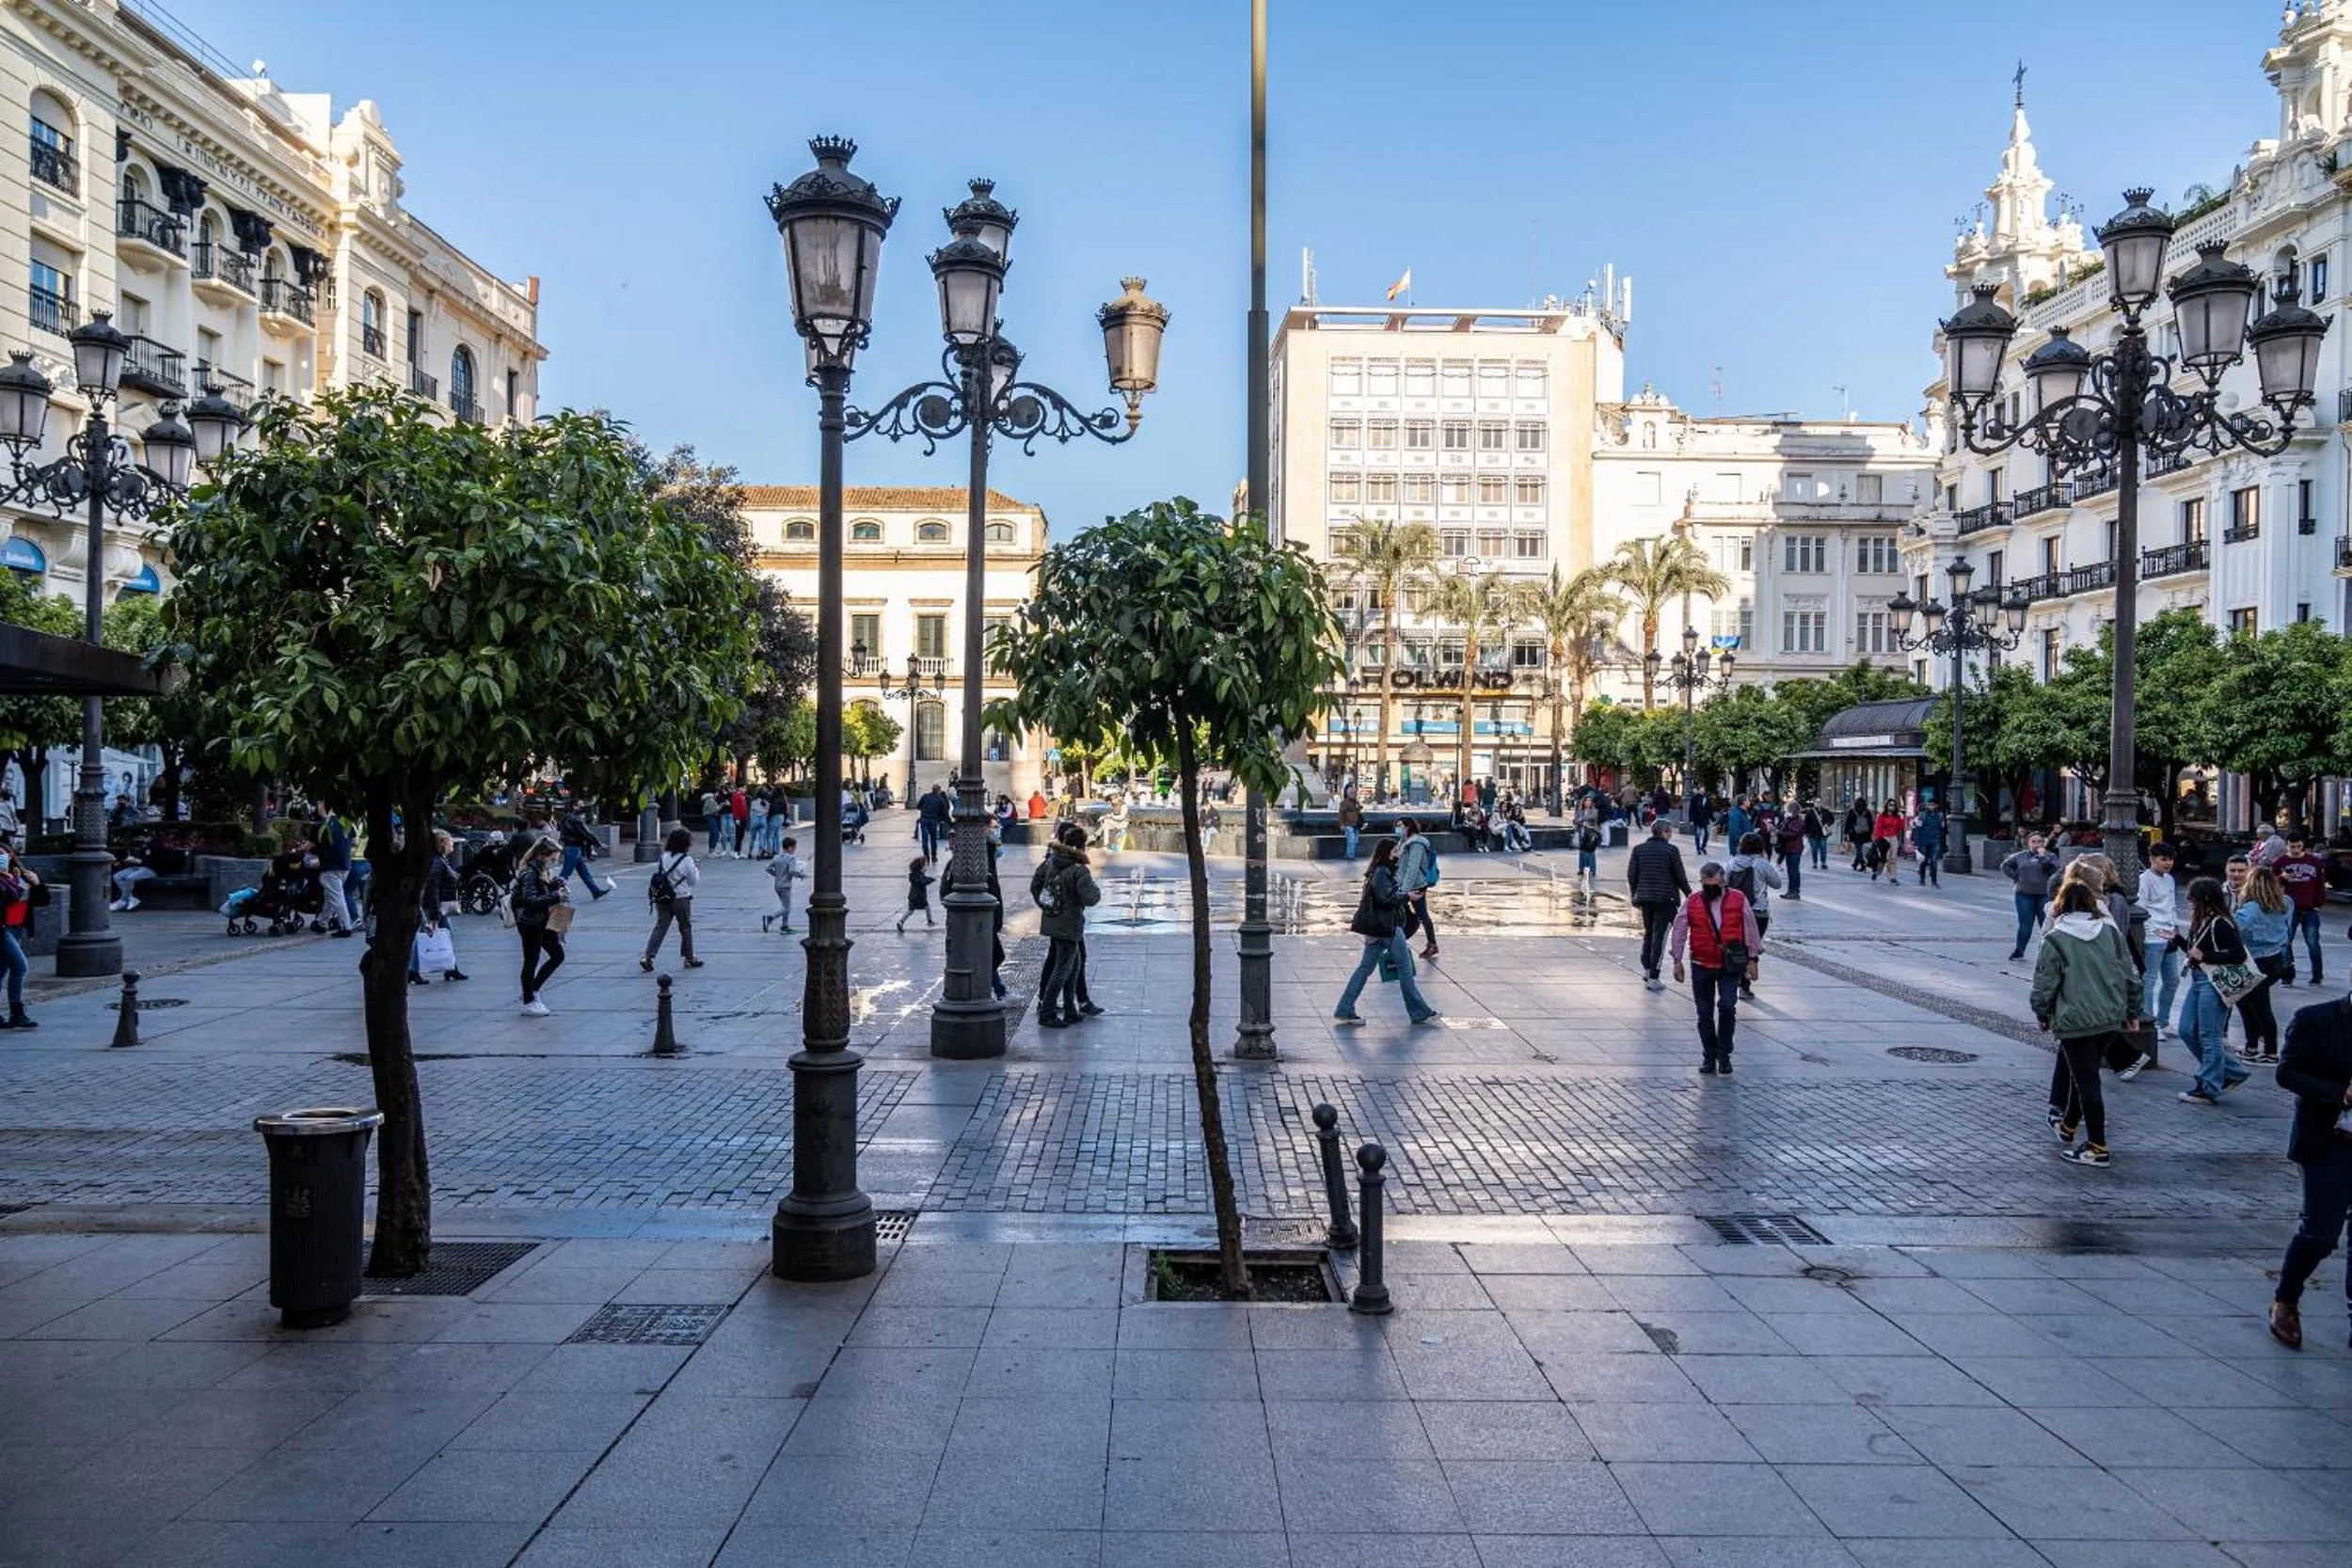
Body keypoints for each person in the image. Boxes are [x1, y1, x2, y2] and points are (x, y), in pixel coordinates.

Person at [2030, 879, 2143, 1169]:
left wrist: (2042, 1014)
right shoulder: (2109, 932)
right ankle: (2068, 1127)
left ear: (2060, 905)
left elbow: (2045, 984)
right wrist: (2132, 1010)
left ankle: (2097, 1146)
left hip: (2075, 1018)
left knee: (2087, 1082)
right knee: (2086, 1074)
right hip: (2109, 1015)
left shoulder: (2056, 938)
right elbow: (2129, 974)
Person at [2266, 990, 2352, 1350]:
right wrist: (2341, 1093)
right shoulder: (2317, 1019)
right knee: (2321, 1232)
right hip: (2330, 1141)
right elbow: (2287, 1073)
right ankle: (2286, 1299)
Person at [1333, 837, 1440, 1026]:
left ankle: (1344, 1009)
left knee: (1364, 969)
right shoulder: (1381, 873)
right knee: (1405, 969)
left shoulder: (1382, 871)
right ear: (1387, 853)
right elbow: (1386, 898)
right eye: (1396, 851)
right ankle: (1418, 1012)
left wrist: (1405, 893)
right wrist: (1406, 896)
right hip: (1388, 929)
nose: (1398, 854)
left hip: (1377, 930)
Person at [1671, 861, 1759, 1075]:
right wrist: (1677, 959)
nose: (1709, 885)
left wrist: (1753, 958)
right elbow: (1680, 928)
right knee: (1704, 1013)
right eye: (1705, 882)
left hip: (1729, 965)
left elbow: (1750, 927)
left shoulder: (1738, 898)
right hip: (1701, 963)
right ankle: (1709, 1056)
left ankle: (1724, 1054)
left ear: (1722, 879)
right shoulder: (1693, 901)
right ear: (1701, 881)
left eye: (1713, 881)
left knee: (1728, 1007)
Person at [2178, 875, 2254, 1106]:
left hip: (2213, 981)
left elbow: (2238, 954)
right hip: (2199, 978)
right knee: (2187, 1029)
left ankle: (2209, 1087)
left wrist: (2207, 957)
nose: (2189, 903)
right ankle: (2232, 1071)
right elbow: (2195, 953)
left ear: (2206, 900)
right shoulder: (2200, 921)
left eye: (2193, 899)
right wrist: (2178, 941)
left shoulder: (2220, 923)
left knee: (2209, 1036)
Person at [1033, 821, 1102, 1028]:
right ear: (1082, 846)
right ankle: (1048, 1012)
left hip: (1054, 920)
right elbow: (1091, 898)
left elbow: (1035, 885)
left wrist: (1047, 905)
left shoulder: (1051, 862)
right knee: (1062, 968)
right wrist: (1094, 888)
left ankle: (1070, 1009)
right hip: (1069, 923)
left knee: (1074, 963)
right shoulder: (1078, 870)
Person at [2235, 863, 2294, 1066]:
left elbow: (2236, 927)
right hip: (2276, 958)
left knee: (2253, 1005)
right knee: (2254, 1003)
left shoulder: (2251, 908)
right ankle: (2254, 1047)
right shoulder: (2286, 902)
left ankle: (2268, 1050)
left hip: (2255, 959)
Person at [1628, 818, 1692, 993]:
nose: (1671, 835)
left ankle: (1648, 970)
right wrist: (1689, 894)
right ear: (1664, 832)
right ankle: (1654, 977)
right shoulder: (1671, 850)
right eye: (1669, 831)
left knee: (1649, 934)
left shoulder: (1639, 849)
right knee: (1660, 938)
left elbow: (1632, 875)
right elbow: (1680, 876)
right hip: (1665, 900)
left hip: (1645, 899)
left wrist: (1635, 894)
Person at [511, 836, 568, 1017]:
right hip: (530, 922)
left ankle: (532, 990)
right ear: (544, 855)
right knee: (531, 959)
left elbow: (539, 890)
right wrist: (555, 897)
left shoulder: (540, 868)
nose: (556, 860)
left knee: (557, 955)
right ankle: (529, 1000)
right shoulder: (531, 871)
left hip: (542, 919)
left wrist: (554, 884)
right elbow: (530, 900)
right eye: (554, 856)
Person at [2138, 844, 2185, 1057]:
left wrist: (2174, 928)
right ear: (2152, 859)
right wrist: (2154, 930)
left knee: (2172, 979)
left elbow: (2172, 904)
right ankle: (2150, 1021)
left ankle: (2164, 1020)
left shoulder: (2170, 880)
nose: (2167, 863)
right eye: (2163, 859)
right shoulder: (2144, 879)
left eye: (2170, 859)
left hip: (2169, 933)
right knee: (2150, 979)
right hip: (2153, 936)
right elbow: (2142, 908)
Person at [1725, 832, 1782, 1000]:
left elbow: (1726, 885)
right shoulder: (1761, 863)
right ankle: (1745, 984)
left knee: (1738, 946)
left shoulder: (1732, 862)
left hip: (1737, 910)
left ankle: (1735, 980)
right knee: (1753, 947)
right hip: (1758, 911)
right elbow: (1777, 883)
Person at [410, 830, 469, 985]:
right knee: (432, 935)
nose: (452, 844)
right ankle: (416, 970)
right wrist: (435, 915)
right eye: (450, 841)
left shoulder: (439, 860)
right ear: (442, 843)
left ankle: (449, 968)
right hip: (435, 907)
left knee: (440, 936)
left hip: (436, 906)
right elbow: (432, 889)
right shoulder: (437, 861)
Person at [641, 828, 703, 973]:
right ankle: (689, 958)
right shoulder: (686, 859)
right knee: (685, 928)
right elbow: (693, 881)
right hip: (681, 898)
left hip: (663, 898)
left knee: (660, 927)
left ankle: (647, 956)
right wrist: (697, 868)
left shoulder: (664, 857)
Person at [2277, 832, 2328, 986]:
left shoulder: (2314, 862)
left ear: (2303, 845)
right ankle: (2287, 974)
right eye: (2292, 846)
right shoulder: (2280, 862)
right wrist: (2281, 878)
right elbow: (2271, 883)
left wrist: (2319, 904)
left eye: (2298, 846)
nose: (2295, 850)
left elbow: (2320, 883)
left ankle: (2317, 975)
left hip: (2310, 907)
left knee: (2313, 942)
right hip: (2288, 908)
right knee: (2285, 942)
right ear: (2287, 845)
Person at [2001, 832, 2061, 960]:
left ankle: (2049, 952)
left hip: (2044, 895)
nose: (2036, 844)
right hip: (2024, 894)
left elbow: (2055, 870)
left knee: (2046, 924)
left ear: (2043, 843)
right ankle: (2019, 950)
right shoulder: (2020, 856)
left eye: (2039, 841)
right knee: (2025, 925)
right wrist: (2016, 876)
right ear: (2028, 843)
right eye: (2033, 841)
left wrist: (2042, 857)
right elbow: (2005, 865)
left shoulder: (2051, 856)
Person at [0, 839, 40, 1028]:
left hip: (15, 926)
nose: (2, 858)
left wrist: (35, 884)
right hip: (3, 929)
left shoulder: (17, 875)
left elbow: (40, 899)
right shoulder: (4, 880)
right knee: (20, 966)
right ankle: (17, 1011)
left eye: (4, 855)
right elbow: (9, 899)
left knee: (3, 969)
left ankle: (15, 1013)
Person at [1397, 818, 1440, 960]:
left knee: (1421, 915)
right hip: (1405, 885)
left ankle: (1431, 944)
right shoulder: (1405, 842)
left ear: (1408, 827)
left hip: (1415, 885)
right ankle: (1430, 944)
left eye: (1400, 826)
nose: (1398, 829)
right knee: (1413, 914)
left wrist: (1404, 891)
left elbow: (1412, 869)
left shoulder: (1416, 844)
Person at [313, 805, 356, 937]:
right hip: (345, 865)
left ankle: (346, 927)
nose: (318, 808)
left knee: (336, 897)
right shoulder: (347, 823)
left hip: (330, 867)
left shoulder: (322, 826)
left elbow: (311, 845)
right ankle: (322, 922)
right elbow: (355, 841)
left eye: (319, 805)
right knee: (330, 895)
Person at [556, 808, 612, 901]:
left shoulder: (567, 817)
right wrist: (599, 844)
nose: (582, 806)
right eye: (580, 804)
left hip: (572, 847)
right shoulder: (575, 819)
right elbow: (586, 833)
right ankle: (554, 894)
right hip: (573, 848)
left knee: (583, 872)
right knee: (566, 873)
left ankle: (595, 891)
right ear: (574, 806)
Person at [763, 836, 804, 934]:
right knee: (787, 907)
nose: (795, 850)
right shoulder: (791, 858)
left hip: (777, 885)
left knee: (784, 905)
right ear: (790, 847)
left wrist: (776, 874)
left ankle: (785, 926)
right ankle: (769, 918)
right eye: (794, 848)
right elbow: (791, 871)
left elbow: (768, 869)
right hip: (785, 885)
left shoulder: (777, 857)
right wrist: (800, 874)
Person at [109, 835, 157, 911]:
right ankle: (131, 898)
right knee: (116, 876)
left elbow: (146, 861)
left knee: (129, 878)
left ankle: (123, 900)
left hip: (149, 869)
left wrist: (134, 860)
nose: (138, 839)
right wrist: (131, 860)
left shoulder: (154, 845)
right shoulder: (140, 845)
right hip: (136, 867)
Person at [898, 854, 936, 933]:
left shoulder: (915, 875)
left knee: (910, 911)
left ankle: (901, 921)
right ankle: (929, 921)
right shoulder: (919, 876)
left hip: (912, 897)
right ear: (920, 868)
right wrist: (931, 880)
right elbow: (923, 881)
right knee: (927, 907)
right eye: (925, 866)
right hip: (920, 897)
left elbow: (923, 879)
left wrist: (929, 879)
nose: (926, 868)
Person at [1911, 802, 1947, 888]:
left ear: (1936, 805)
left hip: (1935, 841)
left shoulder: (1940, 816)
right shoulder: (1922, 815)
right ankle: (1922, 878)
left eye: (1933, 805)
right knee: (1924, 860)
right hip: (1924, 841)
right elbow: (1917, 829)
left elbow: (1942, 828)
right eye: (1930, 805)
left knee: (1934, 861)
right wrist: (1916, 842)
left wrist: (1941, 840)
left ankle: (1934, 881)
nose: (1931, 807)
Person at [1773, 809, 1806, 902]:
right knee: (1790, 870)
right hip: (1788, 847)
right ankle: (1791, 890)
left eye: (1788, 810)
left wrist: (1780, 832)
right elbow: (1782, 827)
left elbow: (1794, 834)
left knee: (1794, 870)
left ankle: (1794, 891)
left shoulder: (1798, 822)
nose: (1786, 812)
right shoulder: (1788, 820)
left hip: (1795, 848)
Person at [917, 783, 953, 865]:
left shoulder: (925, 796)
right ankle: (933, 857)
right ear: (939, 791)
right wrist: (951, 824)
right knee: (933, 840)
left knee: (925, 840)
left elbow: (918, 807)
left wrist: (925, 810)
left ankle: (926, 857)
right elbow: (945, 814)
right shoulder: (940, 800)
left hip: (924, 820)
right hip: (933, 821)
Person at [1844, 798, 1875, 870]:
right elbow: (1870, 824)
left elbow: (1848, 823)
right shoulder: (1867, 812)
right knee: (1859, 849)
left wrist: (1846, 833)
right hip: (1865, 833)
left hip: (1856, 833)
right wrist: (1871, 832)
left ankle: (1862, 864)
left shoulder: (1852, 811)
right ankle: (1855, 863)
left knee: (1859, 849)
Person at [1573, 815, 1601, 895]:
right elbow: (1599, 839)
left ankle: (1588, 871)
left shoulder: (1588, 831)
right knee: (1590, 858)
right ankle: (1591, 871)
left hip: (1586, 848)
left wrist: (1583, 846)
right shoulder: (1595, 831)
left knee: (1587, 859)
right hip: (1591, 849)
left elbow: (1585, 840)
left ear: (1588, 823)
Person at [1804, 798, 1831, 871]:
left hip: (1822, 833)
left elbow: (1832, 819)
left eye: (1819, 802)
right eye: (1817, 802)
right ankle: (1815, 863)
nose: (1818, 803)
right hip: (1812, 834)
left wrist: (1827, 824)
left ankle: (1823, 863)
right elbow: (1806, 823)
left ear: (1821, 803)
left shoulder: (1825, 811)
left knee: (1823, 848)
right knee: (1814, 849)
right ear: (1814, 803)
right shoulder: (1810, 812)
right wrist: (1805, 833)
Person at [1339, 789, 1363, 861]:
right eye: (1352, 793)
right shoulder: (1344, 802)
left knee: (1355, 840)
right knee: (1351, 839)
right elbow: (1341, 814)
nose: (1354, 794)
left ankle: (1348, 854)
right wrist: (1342, 824)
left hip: (1356, 824)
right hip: (1348, 824)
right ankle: (1350, 856)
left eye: (1355, 793)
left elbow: (1359, 813)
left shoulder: (1357, 802)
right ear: (1348, 794)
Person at [1689, 788, 1713, 855]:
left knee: (1707, 834)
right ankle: (1698, 849)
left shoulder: (1707, 799)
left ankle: (1703, 847)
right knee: (1698, 834)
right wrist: (1691, 820)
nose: (1702, 792)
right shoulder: (1694, 798)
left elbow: (1710, 810)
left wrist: (1712, 819)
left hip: (1705, 819)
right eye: (1701, 790)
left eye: (1703, 790)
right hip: (1697, 819)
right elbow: (1691, 809)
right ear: (1699, 791)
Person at [700, 788, 724, 856]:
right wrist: (722, 805)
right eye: (718, 793)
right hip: (710, 817)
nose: (718, 795)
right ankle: (711, 851)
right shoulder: (710, 799)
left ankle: (711, 851)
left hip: (709, 817)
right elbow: (714, 810)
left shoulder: (709, 799)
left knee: (712, 834)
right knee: (715, 834)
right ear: (715, 793)